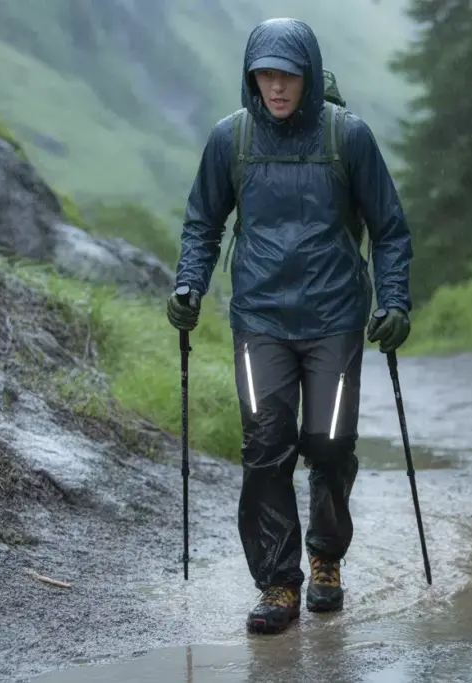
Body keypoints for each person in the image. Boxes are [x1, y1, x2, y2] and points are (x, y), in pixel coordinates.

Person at [166, 16, 414, 635]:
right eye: (266, 75)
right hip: (260, 319)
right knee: (264, 448)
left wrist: (396, 300)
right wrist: (188, 283)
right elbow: (202, 222)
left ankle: (325, 558)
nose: (277, 87)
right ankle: (277, 584)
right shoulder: (232, 140)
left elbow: (389, 229)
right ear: (252, 77)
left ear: (308, 74)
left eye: (289, 75)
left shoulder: (347, 137)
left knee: (329, 446)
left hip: (334, 317)